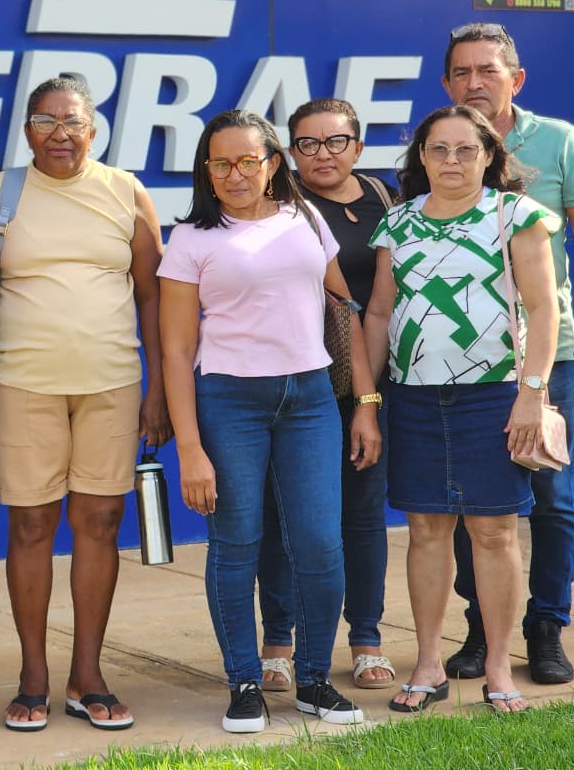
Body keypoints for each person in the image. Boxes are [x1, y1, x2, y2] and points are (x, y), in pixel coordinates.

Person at [158, 110, 381, 734]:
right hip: (229, 401)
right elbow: (175, 351)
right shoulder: (191, 239)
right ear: (206, 170)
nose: (235, 174)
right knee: (237, 543)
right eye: (221, 163)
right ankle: (245, 683)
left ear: (273, 163)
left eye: (248, 161)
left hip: (310, 398)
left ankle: (313, 679)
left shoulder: (305, 217)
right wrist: (190, 449)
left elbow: (346, 310)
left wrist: (365, 402)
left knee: (320, 543)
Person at [0, 77, 171, 734]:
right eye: (44, 120)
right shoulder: (0, 193)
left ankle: (87, 676)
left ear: (94, 129)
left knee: (100, 521)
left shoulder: (125, 191)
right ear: (26, 129)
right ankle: (32, 676)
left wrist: (158, 389)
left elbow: (152, 295)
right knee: (31, 525)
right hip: (22, 382)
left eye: (72, 121)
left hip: (111, 383)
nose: (59, 133)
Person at [439, 23, 574, 684]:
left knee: (551, 496)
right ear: (446, 84)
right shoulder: (441, 144)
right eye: (462, 72)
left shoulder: (557, 141)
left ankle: (546, 628)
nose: (474, 83)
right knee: (471, 501)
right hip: (464, 361)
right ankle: (481, 627)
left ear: (516, 79)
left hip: (549, 353)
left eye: (487, 70)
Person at [365, 104, 559, 714]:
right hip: (413, 398)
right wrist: (367, 401)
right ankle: (428, 663)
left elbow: (543, 308)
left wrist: (531, 393)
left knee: (494, 532)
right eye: (439, 149)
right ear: (421, 157)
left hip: (494, 396)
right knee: (425, 531)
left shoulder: (514, 214)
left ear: (489, 155)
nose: (452, 160)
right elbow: (378, 313)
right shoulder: (397, 222)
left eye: (466, 149)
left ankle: (498, 666)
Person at [257, 98, 397, 696]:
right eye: (308, 143)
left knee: (362, 516)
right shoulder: (274, 204)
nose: (323, 154)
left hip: (369, 386)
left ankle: (365, 640)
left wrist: (369, 400)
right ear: (290, 151)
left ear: (357, 147)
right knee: (282, 517)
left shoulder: (387, 201)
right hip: (292, 382)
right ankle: (278, 643)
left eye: (336, 141)